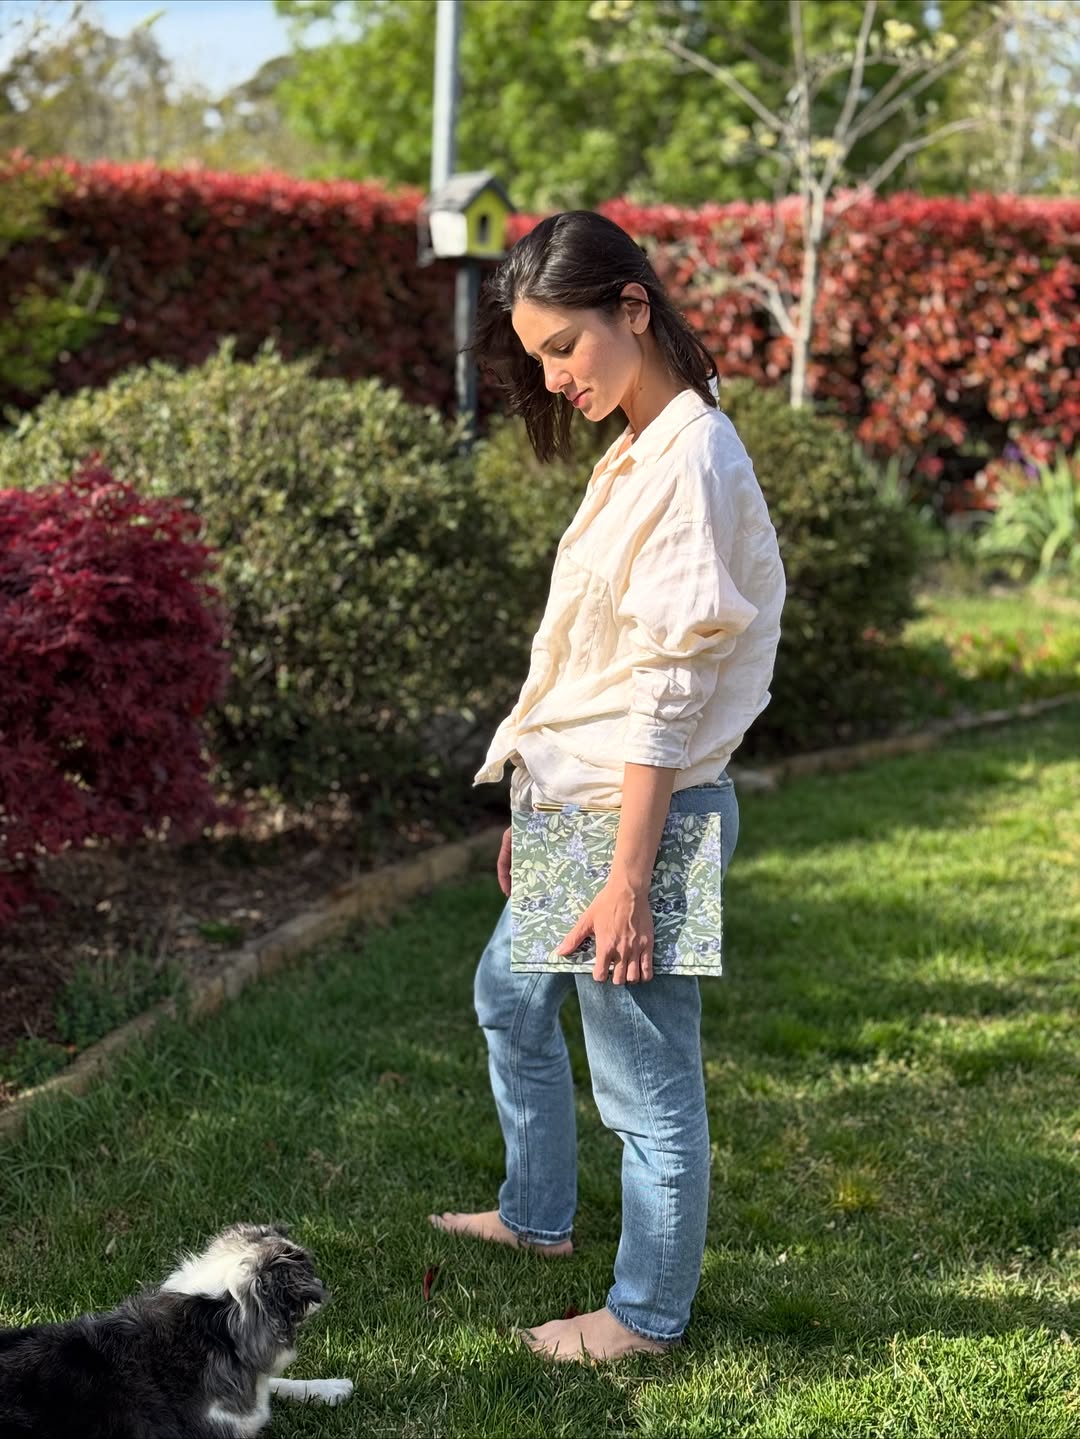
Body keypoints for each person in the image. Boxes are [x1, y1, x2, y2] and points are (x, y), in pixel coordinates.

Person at [429, 210, 785, 1362]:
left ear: (632, 307)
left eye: (563, 346)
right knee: (508, 995)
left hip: (638, 821)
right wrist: (533, 797)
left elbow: (668, 694)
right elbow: (590, 668)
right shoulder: (640, 446)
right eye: (538, 355)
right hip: (578, 809)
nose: (552, 377)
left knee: (647, 1086)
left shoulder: (690, 459)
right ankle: (537, 1215)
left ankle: (643, 1317)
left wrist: (626, 876)